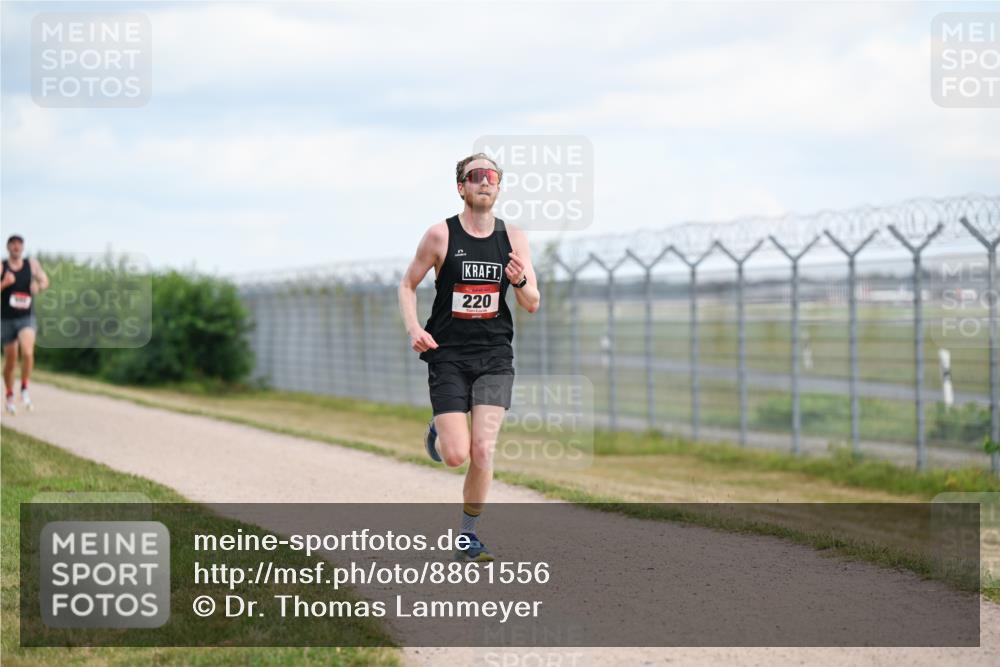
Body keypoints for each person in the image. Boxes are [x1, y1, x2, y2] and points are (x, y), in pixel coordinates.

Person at [398, 153, 540, 562]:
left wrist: (520, 280)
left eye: (492, 176)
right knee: (455, 455)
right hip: (448, 356)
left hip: (494, 356)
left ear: (499, 187)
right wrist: (414, 329)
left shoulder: (513, 238)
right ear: (461, 187)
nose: (485, 181)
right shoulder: (440, 236)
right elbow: (407, 285)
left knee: (482, 450)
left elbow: (532, 302)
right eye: (476, 175)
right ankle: (441, 430)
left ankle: (467, 536)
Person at [1, 235, 49, 414]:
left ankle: (24, 387)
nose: (16, 247)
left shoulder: (32, 264)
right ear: (8, 247)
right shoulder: (2, 266)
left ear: (22, 247)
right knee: (11, 361)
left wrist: (39, 286)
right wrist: (4, 283)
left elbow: (45, 281)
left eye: (19, 244)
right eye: (13, 244)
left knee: (28, 352)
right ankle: (9, 395)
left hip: (26, 318)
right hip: (6, 319)